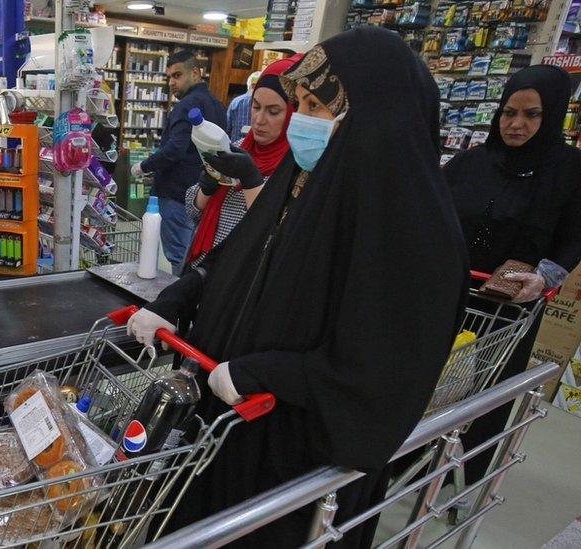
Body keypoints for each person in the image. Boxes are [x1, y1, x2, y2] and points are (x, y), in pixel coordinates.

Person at [126, 28, 468, 547]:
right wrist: (176, 297)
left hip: (295, 468)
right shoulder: (304, 179)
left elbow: (380, 379)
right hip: (229, 430)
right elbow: (237, 256)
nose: (301, 121)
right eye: (300, 104)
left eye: (316, 106)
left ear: (371, 117)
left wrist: (265, 372)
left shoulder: (413, 231)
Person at [444, 65, 581, 484]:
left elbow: (575, 234)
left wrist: (546, 277)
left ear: (553, 115)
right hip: (448, 296)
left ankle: (462, 475)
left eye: (531, 114)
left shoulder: (570, 170)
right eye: (508, 112)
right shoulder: (470, 163)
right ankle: (408, 458)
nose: (516, 124)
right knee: (434, 386)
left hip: (509, 309)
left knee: (487, 392)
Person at [183, 56, 301, 268]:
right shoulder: (238, 146)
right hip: (203, 267)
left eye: (273, 111)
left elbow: (276, 232)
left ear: (294, 113)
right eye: (255, 107)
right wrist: (206, 189)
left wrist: (252, 181)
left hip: (242, 275)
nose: (259, 119)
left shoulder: (298, 166)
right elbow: (192, 214)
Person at [131, 50, 226, 274]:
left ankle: (178, 302)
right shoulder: (217, 104)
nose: (172, 83)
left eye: (177, 75)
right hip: (201, 193)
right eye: (169, 78)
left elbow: (175, 149)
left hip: (176, 193)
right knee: (194, 251)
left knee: (179, 256)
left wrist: (143, 166)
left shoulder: (187, 105)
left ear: (195, 73)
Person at [225, 71, 261, 142]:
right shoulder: (266, 103)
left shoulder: (236, 102)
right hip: (255, 148)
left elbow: (227, 128)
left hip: (236, 148)